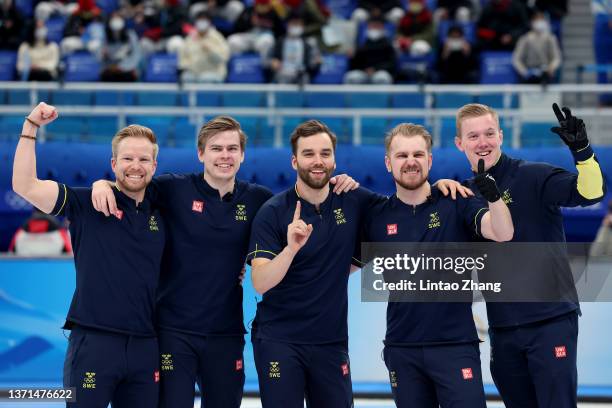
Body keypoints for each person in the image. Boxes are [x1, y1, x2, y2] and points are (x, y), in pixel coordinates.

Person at [91, 116, 360, 408]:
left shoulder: (260, 200)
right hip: (173, 332)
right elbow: (133, 182)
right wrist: (102, 183)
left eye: (232, 149)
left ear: (242, 155)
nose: (225, 156)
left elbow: (307, 231)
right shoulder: (172, 189)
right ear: (201, 153)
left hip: (226, 333)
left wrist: (338, 183)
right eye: (216, 148)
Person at [12, 102, 165, 408]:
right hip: (93, 344)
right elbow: (24, 185)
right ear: (113, 163)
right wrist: (31, 126)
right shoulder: (85, 203)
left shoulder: (166, 210)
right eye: (128, 158)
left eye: (143, 159)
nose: (136, 165)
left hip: (147, 346)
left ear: (154, 166)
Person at [454, 103, 606, 408]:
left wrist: (583, 153)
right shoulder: (463, 196)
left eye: (488, 133)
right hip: (503, 329)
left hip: (550, 321)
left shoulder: (533, 176)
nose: (482, 142)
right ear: (460, 143)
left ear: (501, 135)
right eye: (473, 136)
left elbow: (591, 193)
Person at [361, 123, 514, 408]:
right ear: (388, 162)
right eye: (402, 155)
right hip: (401, 349)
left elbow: (503, 234)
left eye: (418, 154)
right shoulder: (376, 216)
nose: (410, 162)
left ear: (429, 160)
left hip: (455, 346)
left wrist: (493, 197)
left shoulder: (455, 202)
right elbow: (336, 267)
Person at [247, 120, 387, 407]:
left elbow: (401, 212)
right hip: (279, 341)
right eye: (309, 154)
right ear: (294, 160)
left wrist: (440, 185)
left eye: (325, 153)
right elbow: (260, 282)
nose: (318, 161)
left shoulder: (354, 200)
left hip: (330, 342)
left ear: (334, 159)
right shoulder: (273, 212)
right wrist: (290, 249)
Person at [267, 13, 321, 84]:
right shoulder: (279, 42)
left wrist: (316, 62)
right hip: (283, 73)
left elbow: (313, 63)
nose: (296, 26)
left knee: (304, 78)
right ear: (287, 25)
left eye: (299, 24)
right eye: (294, 24)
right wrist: (272, 62)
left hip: (301, 74)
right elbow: (267, 60)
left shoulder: (308, 44)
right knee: (281, 78)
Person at [178, 11, 230, 83]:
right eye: (200, 20)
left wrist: (210, 50)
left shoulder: (217, 38)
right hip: (194, 73)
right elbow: (183, 57)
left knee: (205, 78)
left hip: (214, 73)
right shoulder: (190, 38)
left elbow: (223, 59)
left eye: (204, 20)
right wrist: (186, 67)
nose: (201, 23)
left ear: (209, 22)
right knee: (186, 77)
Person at [512, 10, 561, 84]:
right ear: (532, 22)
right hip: (529, 75)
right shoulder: (525, 38)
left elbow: (556, 58)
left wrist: (551, 68)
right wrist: (525, 72)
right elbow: (516, 59)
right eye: (537, 20)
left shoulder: (550, 38)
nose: (539, 22)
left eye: (541, 20)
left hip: (546, 75)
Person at [344, 17, 396, 84]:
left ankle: (383, 95)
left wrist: (375, 69)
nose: (374, 28)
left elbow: (391, 64)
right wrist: (351, 57)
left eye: (377, 26)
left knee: (382, 78)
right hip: (364, 72)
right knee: (351, 77)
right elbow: (354, 65)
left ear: (382, 27)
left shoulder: (388, 45)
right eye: (372, 26)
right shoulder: (363, 45)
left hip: (379, 72)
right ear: (368, 27)